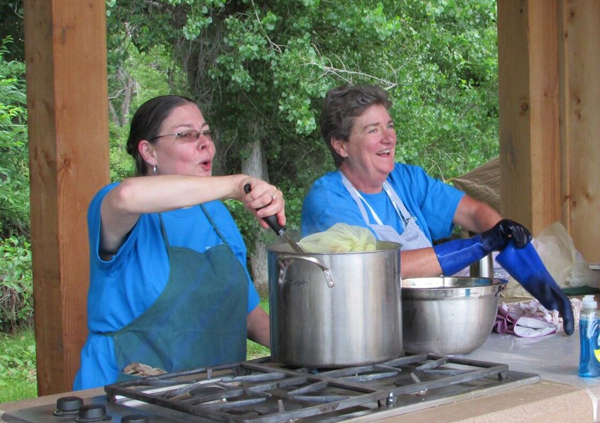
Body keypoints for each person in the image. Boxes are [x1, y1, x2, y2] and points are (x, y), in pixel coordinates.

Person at [301, 84, 574, 334]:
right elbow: (379, 268)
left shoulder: (405, 180)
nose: (389, 138)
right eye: (373, 130)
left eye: (390, 126)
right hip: (364, 334)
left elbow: (474, 213)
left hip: (422, 324)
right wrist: (478, 245)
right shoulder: (329, 202)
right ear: (341, 145)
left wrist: (536, 276)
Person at [74, 95, 285, 390]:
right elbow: (127, 196)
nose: (205, 143)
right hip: (124, 399)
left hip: (210, 399)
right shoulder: (118, 203)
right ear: (149, 152)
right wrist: (237, 184)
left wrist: (313, 350)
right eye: (186, 134)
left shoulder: (216, 216)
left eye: (206, 132)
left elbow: (249, 316)